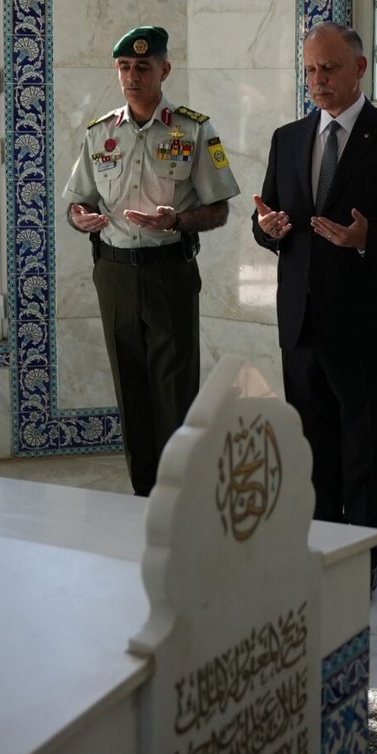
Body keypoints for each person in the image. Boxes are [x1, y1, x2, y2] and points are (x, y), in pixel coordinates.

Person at [251, 22, 377, 590]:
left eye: (329, 68)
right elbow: (269, 217)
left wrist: (368, 238)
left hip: (365, 326)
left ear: (359, 68)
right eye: (310, 70)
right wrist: (267, 229)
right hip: (301, 323)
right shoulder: (288, 138)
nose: (318, 80)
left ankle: (360, 559)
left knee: (365, 450)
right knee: (311, 450)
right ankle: (317, 548)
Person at [62, 25, 240, 496]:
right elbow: (78, 203)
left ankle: (180, 497)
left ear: (165, 69)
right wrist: (80, 218)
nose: (132, 77)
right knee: (131, 390)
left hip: (169, 273)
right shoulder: (100, 133)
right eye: (124, 67)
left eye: (143, 67)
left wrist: (177, 221)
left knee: (174, 391)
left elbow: (219, 210)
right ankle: (143, 497)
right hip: (114, 274)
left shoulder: (194, 129)